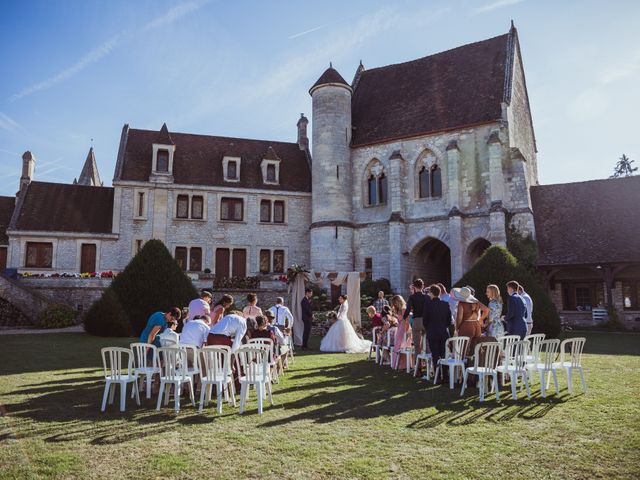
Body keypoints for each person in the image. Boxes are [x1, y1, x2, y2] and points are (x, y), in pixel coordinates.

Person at [423, 284, 451, 377]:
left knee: (435, 354)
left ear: (431, 293)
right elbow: (449, 321)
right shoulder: (445, 304)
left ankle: (438, 376)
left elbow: (425, 321)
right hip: (443, 332)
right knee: (443, 354)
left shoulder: (428, 305)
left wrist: (429, 328)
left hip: (432, 332)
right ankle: (445, 375)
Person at [452, 287, 488, 352]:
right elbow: (486, 309)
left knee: (463, 348)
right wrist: (481, 319)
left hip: (466, 325)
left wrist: (457, 327)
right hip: (476, 325)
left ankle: (464, 361)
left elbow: (459, 317)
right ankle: (475, 361)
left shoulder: (461, 303)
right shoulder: (476, 302)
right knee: (476, 347)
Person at [404, 279, 427, 366]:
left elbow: (408, 309)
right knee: (427, 344)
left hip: (416, 320)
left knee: (417, 345)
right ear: (422, 286)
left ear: (414, 287)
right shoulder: (426, 297)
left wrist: (404, 318)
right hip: (425, 320)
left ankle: (418, 367)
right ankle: (428, 365)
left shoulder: (412, 297)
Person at [391, 295, 411, 370]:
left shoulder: (404, 309)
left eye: (395, 303)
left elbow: (407, 321)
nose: (394, 305)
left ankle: (402, 364)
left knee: (402, 346)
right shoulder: (399, 310)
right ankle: (398, 364)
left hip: (404, 329)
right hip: (399, 328)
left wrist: (407, 331)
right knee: (398, 346)